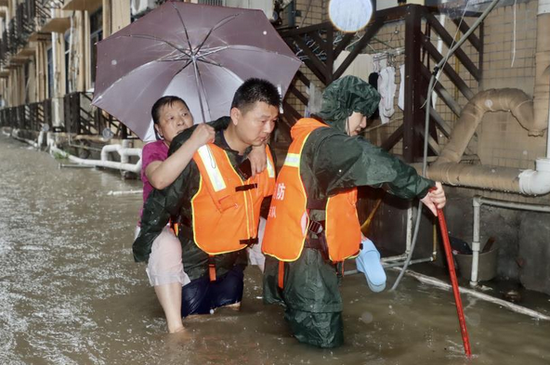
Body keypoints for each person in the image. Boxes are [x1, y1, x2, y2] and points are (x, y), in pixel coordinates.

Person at [261, 75, 447, 348]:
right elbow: (369, 160)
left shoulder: (309, 138)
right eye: (361, 115)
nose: (364, 123)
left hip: (294, 262)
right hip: (309, 272)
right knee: (325, 350)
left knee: (302, 343)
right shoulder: (326, 142)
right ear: (345, 109)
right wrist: (420, 187)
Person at [133, 78, 280, 320]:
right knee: (167, 248)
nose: (180, 120)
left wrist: (258, 145)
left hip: (220, 236)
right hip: (161, 224)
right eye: (170, 118)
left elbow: (225, 126)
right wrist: (192, 142)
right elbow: (160, 181)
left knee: (266, 232)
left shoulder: (208, 139)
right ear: (159, 129)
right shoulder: (155, 150)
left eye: (185, 113)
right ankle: (174, 328)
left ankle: (279, 299)